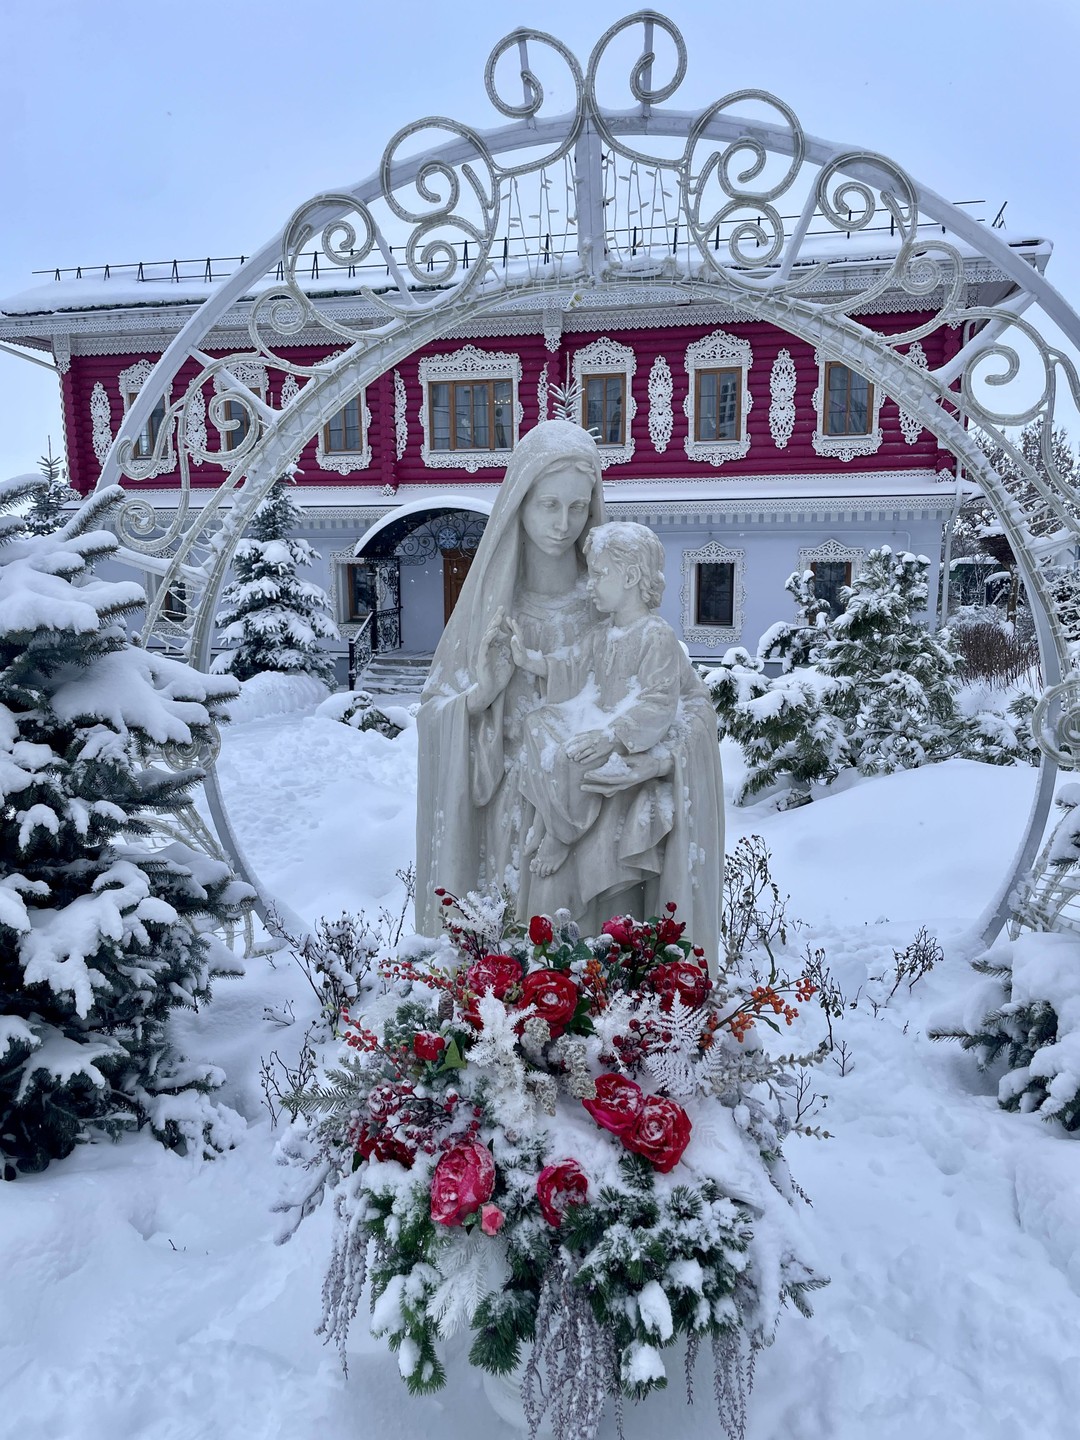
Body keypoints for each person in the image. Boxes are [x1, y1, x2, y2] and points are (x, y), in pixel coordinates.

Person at [414, 420, 725, 968]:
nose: (563, 524)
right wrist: (481, 696)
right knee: (521, 976)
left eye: (578, 508)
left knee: (599, 974)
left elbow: (688, 708)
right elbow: (438, 714)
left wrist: (650, 762)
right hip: (513, 825)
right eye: (548, 505)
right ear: (519, 503)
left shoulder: (614, 604)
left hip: (607, 814)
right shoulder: (490, 610)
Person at [510, 522, 724, 942]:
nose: (591, 585)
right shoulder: (602, 634)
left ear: (630, 577)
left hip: (625, 741)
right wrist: (531, 660)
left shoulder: (656, 636)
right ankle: (554, 820)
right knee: (538, 725)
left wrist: (613, 735)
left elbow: (659, 702)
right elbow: (570, 667)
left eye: (600, 573)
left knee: (578, 756)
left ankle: (560, 831)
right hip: (593, 722)